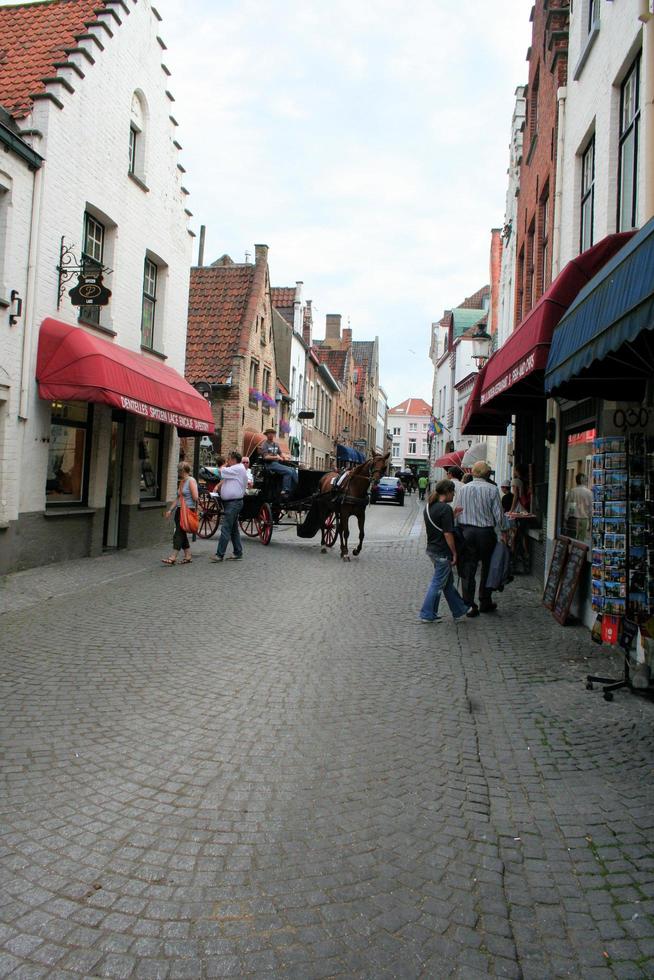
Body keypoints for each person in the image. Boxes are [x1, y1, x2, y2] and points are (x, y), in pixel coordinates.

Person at [456, 460, 508, 616]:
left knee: (468, 568)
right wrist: (504, 531)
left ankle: (469, 604)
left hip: (467, 532)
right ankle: (485, 600)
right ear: (487, 474)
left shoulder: (463, 489)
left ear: (472, 472)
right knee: (487, 566)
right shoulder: (493, 489)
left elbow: (457, 511)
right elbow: (498, 515)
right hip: (486, 533)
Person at [419, 479, 471, 623]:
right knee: (437, 583)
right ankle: (427, 613)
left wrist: (452, 516)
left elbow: (438, 524)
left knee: (447, 582)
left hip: (432, 548)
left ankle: (459, 609)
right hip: (442, 551)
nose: (454, 495)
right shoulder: (445, 508)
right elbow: (447, 533)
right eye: (453, 491)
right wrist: (454, 552)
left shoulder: (429, 506)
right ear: (447, 492)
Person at [211, 451, 248, 562]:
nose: (228, 461)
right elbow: (224, 478)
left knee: (225, 528)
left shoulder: (238, 468)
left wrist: (224, 465)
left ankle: (219, 554)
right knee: (233, 529)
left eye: (229, 459)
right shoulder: (236, 469)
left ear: (233, 459)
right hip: (231, 503)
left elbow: (221, 471)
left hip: (233, 503)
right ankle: (238, 552)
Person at [162, 462, 198, 565]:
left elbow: (196, 497)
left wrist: (190, 496)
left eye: (178, 471)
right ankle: (188, 556)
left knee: (178, 533)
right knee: (181, 533)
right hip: (179, 510)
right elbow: (178, 498)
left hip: (187, 510)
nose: (178, 472)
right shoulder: (182, 482)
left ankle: (173, 556)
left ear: (183, 471)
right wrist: (170, 510)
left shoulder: (191, 481)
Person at [259, 427, 298, 497]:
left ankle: (296, 487)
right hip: (269, 465)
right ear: (267, 435)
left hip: (276, 464)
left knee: (293, 470)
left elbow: (280, 453)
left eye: (272, 433)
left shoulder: (276, 444)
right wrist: (276, 457)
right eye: (269, 433)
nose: (271, 435)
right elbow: (265, 457)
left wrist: (284, 457)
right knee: (288, 472)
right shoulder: (264, 444)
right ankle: (285, 490)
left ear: (274, 435)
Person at [565, 472, 593, 542]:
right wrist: (590, 522)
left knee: (572, 539)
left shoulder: (572, 491)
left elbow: (569, 506)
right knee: (581, 541)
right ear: (583, 481)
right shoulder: (589, 492)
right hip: (584, 519)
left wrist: (565, 518)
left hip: (573, 519)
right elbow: (590, 509)